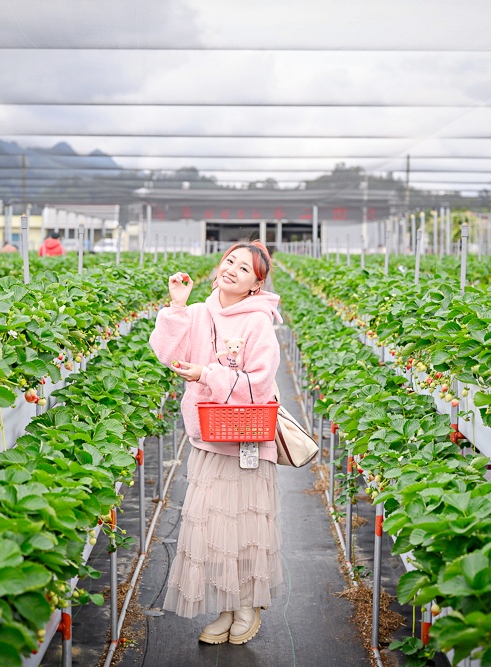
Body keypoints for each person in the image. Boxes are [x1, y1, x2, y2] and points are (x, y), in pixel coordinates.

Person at [149, 241, 283, 646]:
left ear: (255, 286)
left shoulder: (258, 323)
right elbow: (166, 353)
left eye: (244, 269)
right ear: (217, 267)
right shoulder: (197, 313)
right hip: (209, 436)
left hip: (246, 438)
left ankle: (247, 606)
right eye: (230, 262)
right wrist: (175, 306)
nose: (232, 270)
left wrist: (208, 374)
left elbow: (259, 383)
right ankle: (227, 607)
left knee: (245, 522)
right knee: (213, 524)